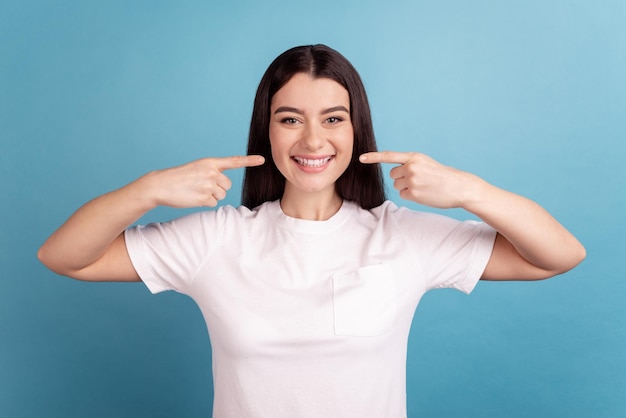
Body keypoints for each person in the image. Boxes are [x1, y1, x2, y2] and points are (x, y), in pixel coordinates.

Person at [38, 44, 585, 418]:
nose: (312, 140)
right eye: (290, 117)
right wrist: (148, 189)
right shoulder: (216, 241)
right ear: (268, 130)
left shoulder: (404, 237)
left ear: (356, 127)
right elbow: (66, 257)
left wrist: (469, 191)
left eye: (333, 118)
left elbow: (559, 255)